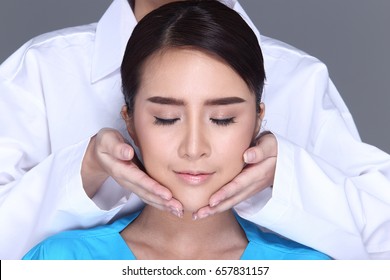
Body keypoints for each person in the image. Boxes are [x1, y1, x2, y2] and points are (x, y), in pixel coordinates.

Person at [0, 0, 389, 260]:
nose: (193, 147)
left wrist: (288, 176)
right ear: (128, 120)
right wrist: (82, 172)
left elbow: (380, 238)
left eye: (222, 118)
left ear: (259, 116)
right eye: (166, 117)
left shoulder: (298, 76)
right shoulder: (42, 68)